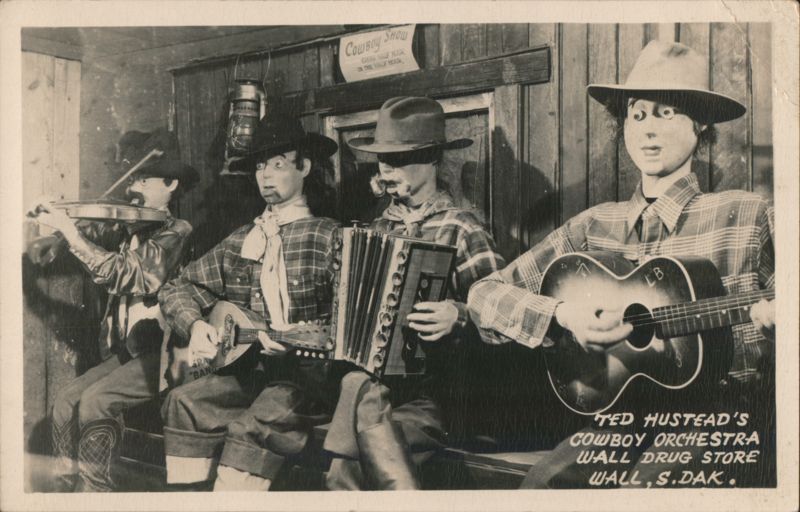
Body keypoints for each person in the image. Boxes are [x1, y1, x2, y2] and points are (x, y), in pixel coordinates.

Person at [467, 40, 775, 489]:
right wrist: (561, 315)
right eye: (637, 113)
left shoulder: (748, 214)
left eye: (666, 112)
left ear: (700, 123)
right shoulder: (594, 225)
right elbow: (483, 294)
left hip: (721, 422)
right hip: (618, 421)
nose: (648, 129)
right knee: (540, 487)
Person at [323, 96, 506, 490]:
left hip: (439, 400)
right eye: (382, 160)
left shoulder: (463, 227)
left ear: (433, 159)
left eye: (399, 159)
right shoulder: (374, 231)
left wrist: (460, 315)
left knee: (351, 459)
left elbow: (504, 318)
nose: (386, 169)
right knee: (350, 435)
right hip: (377, 395)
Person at [158, 111, 341, 491]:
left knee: (250, 427)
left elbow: (347, 320)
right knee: (184, 402)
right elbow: (177, 287)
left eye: (277, 165)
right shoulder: (244, 239)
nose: (266, 177)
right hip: (249, 373)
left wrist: (298, 345)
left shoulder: (328, 236)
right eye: (260, 167)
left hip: (306, 381)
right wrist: (195, 325)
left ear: (304, 166)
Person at [27, 129, 197, 492]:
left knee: (94, 402)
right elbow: (83, 237)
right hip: (128, 351)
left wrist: (69, 234)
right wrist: (53, 228)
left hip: (164, 352)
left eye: (143, 179)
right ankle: (64, 491)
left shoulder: (176, 232)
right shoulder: (125, 229)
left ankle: (95, 492)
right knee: (63, 402)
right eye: (132, 178)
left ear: (170, 184)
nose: (133, 187)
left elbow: (130, 276)